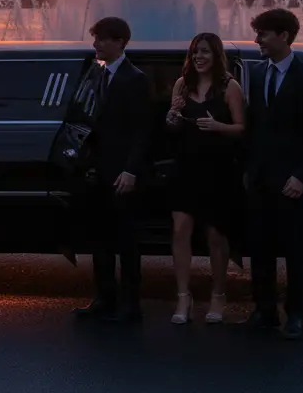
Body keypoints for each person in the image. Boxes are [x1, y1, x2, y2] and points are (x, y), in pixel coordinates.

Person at [243, 8, 303, 340]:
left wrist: (301, 176)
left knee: (295, 251)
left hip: (292, 182)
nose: (257, 40)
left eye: (263, 34)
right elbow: (255, 128)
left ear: (283, 36)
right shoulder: (255, 73)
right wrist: (250, 170)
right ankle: (264, 311)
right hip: (261, 180)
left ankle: (296, 315)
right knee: (260, 248)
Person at [72, 16, 151, 323]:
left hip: (124, 175)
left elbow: (143, 131)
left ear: (119, 42)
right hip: (98, 173)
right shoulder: (96, 74)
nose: (95, 45)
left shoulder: (136, 79)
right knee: (100, 240)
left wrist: (131, 171)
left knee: (127, 242)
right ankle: (104, 299)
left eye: (101, 39)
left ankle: (132, 305)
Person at [165, 32, 245, 325]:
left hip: (218, 170)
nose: (199, 57)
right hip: (185, 168)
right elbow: (173, 127)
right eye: (195, 52)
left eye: (205, 52)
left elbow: (242, 129)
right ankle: (183, 298)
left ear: (217, 56)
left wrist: (218, 126)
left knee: (215, 236)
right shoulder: (182, 85)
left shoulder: (229, 86)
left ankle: (218, 295)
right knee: (180, 230)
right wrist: (171, 120)